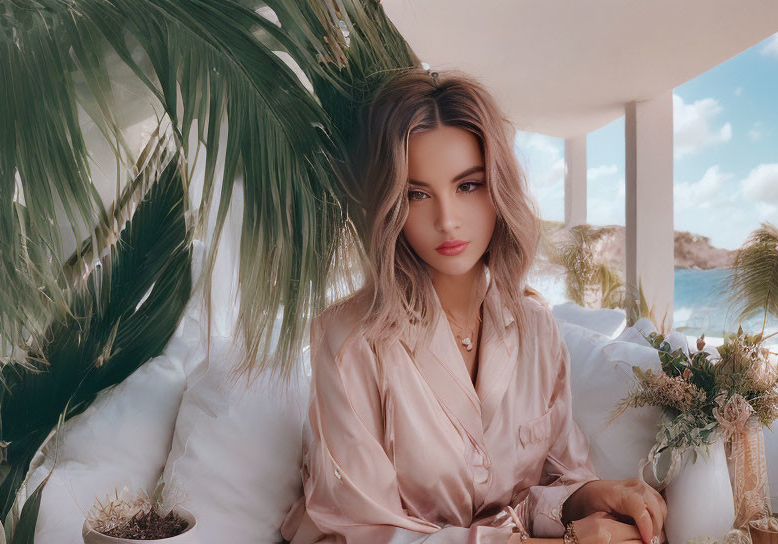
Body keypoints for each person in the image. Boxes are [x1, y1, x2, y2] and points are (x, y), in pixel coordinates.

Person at [280, 68, 666, 544]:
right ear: (389, 207)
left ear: (499, 188)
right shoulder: (349, 342)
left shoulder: (537, 331)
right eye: (417, 194)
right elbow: (360, 532)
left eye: (468, 185)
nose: (446, 220)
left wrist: (591, 497)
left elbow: (550, 484)